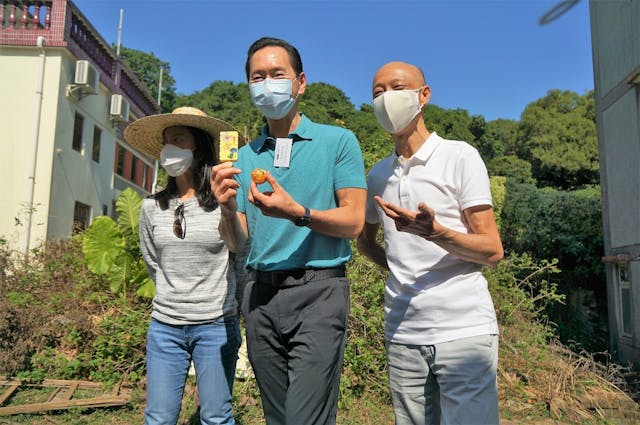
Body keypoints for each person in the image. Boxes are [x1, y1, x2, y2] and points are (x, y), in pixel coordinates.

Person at [209, 37, 367, 425]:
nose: (267, 84)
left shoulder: (337, 141)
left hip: (319, 290)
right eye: (257, 77)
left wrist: (298, 212)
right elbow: (237, 241)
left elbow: (354, 221)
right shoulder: (243, 157)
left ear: (300, 82)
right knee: (278, 417)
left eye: (277, 74)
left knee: (305, 417)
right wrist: (227, 209)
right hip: (260, 295)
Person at [356, 61, 504, 425]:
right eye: (378, 92)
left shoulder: (459, 156)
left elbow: (492, 250)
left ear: (424, 95)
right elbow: (365, 241)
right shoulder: (377, 174)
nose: (387, 98)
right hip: (403, 332)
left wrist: (435, 233)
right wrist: (399, 271)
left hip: (464, 330)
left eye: (397, 87)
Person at [124, 106, 245, 425]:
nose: (169, 147)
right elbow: (154, 262)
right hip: (165, 326)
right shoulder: (152, 206)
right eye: (166, 141)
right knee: (159, 417)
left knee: (216, 416)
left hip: (215, 324)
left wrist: (228, 210)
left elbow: (239, 249)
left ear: (199, 146)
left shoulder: (224, 200)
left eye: (178, 138)